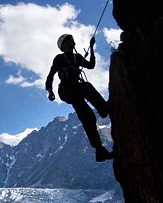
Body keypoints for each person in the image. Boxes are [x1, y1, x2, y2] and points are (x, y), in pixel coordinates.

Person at [45, 33, 114, 162]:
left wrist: (92, 48)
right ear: (63, 45)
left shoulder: (77, 57)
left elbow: (91, 65)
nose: (72, 42)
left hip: (74, 92)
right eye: (69, 40)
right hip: (66, 90)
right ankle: (103, 108)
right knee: (85, 86)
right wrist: (50, 91)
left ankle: (99, 151)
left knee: (88, 116)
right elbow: (51, 76)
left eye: (71, 40)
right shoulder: (59, 59)